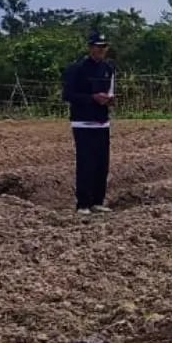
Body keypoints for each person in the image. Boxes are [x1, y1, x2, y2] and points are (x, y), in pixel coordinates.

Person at [62, 31, 117, 216]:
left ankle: (97, 201)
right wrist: (92, 98)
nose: (100, 50)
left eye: (103, 47)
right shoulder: (76, 69)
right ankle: (83, 203)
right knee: (86, 162)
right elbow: (67, 95)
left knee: (102, 163)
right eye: (97, 47)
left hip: (102, 122)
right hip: (82, 122)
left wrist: (109, 100)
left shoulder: (108, 68)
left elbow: (110, 91)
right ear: (90, 47)